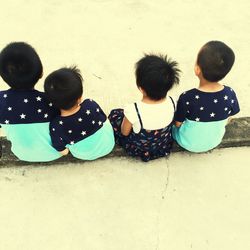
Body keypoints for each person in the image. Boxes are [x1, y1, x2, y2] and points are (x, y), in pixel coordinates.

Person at [108, 54, 180, 162]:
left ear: (141, 88)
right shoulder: (173, 102)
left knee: (115, 115)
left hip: (139, 147)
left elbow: (125, 132)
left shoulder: (133, 110)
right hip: (162, 144)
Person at [172, 41, 240, 152]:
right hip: (214, 141)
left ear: (197, 69)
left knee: (173, 126)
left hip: (186, 142)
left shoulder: (187, 97)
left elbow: (178, 123)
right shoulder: (230, 93)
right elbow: (232, 115)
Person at [0, 42, 61, 162]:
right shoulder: (51, 100)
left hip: (22, 154)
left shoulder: (1, 102)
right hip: (56, 151)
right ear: (41, 73)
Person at [44, 66, 115, 160]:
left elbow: (62, 150)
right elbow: (104, 119)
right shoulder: (91, 105)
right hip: (108, 145)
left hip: (83, 155)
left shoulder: (56, 125)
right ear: (80, 97)